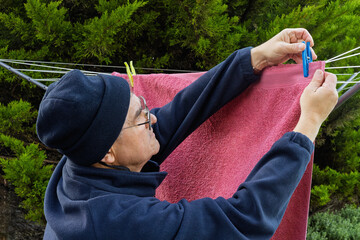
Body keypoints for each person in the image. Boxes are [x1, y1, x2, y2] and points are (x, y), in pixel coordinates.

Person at [37, 28, 338, 239]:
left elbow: (176, 115)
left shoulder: (80, 163)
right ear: (107, 152)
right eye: (140, 118)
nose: (152, 118)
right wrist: (308, 123)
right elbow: (242, 221)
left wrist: (254, 59)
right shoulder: (118, 224)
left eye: (143, 105)